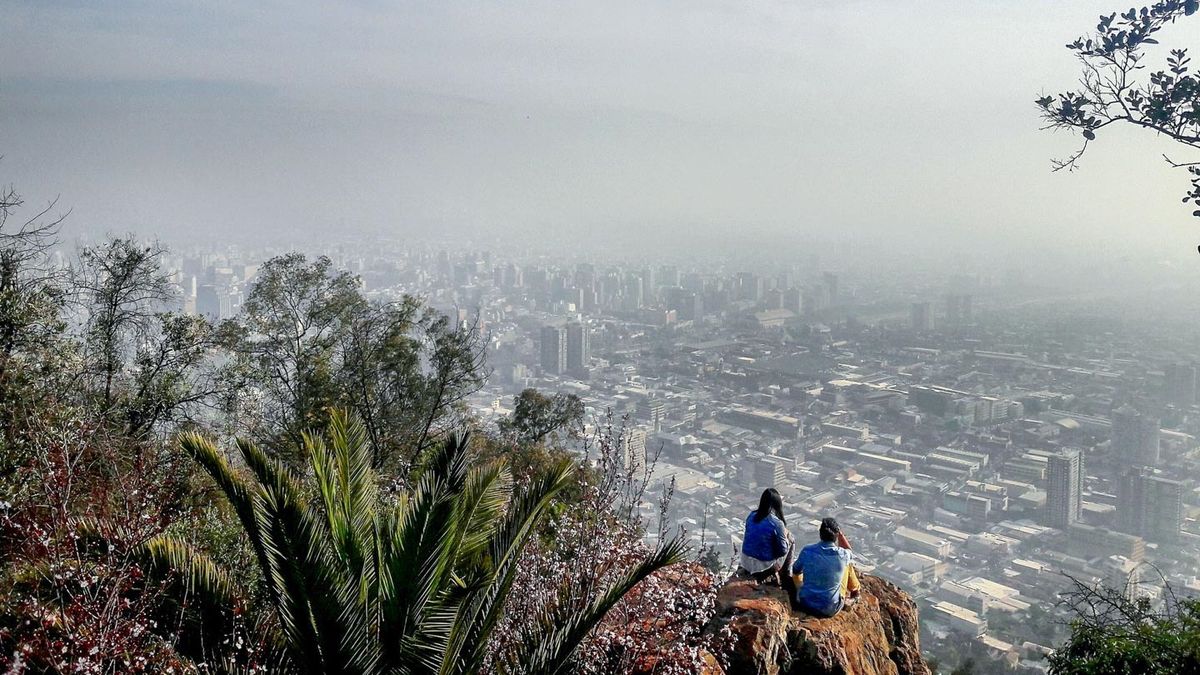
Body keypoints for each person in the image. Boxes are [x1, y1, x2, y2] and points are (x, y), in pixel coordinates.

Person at [791, 517, 861, 617]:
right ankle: (855, 593)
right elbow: (849, 551)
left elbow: (796, 570)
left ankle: (804, 591)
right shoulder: (843, 555)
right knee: (847, 565)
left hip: (805, 603)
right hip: (830, 608)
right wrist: (840, 534)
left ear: (820, 534)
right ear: (836, 535)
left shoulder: (807, 551)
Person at [739, 488, 795, 588]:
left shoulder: (751, 515)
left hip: (745, 562)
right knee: (790, 538)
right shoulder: (777, 523)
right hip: (763, 568)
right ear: (777, 504)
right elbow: (783, 551)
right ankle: (786, 577)